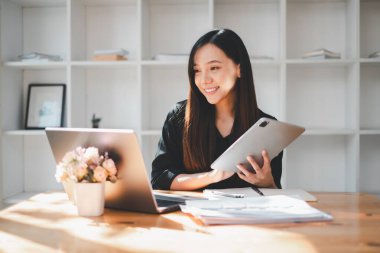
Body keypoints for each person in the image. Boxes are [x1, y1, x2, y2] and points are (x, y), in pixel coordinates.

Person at [151, 29, 282, 191]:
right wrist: (212, 176)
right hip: (191, 214)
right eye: (197, 70)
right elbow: (160, 179)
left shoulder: (265, 128)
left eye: (214, 68)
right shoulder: (179, 116)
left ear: (239, 69)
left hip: (244, 215)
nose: (204, 80)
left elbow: (275, 194)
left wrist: (267, 183)